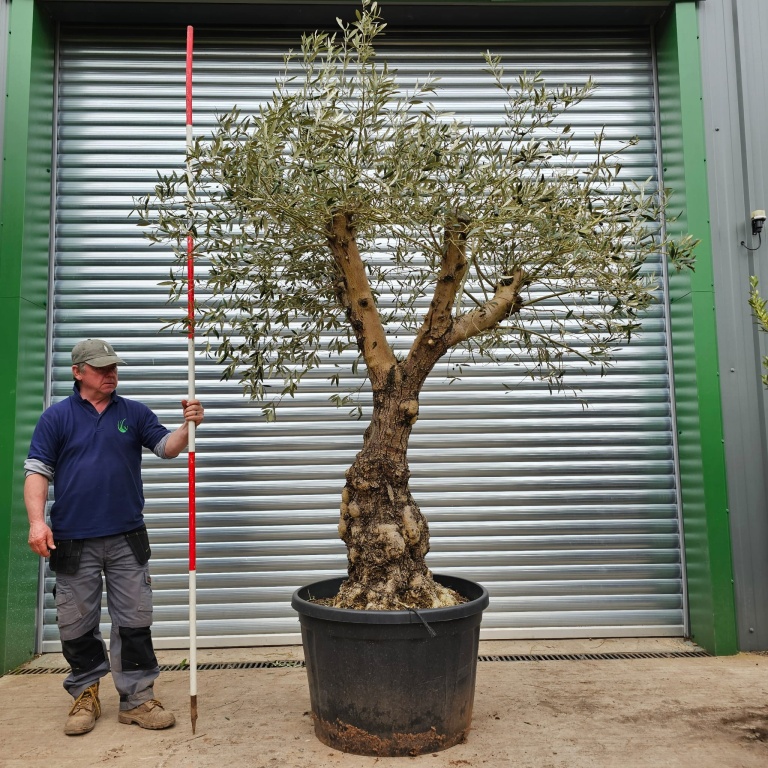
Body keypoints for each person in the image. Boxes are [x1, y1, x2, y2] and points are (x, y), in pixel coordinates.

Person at [24, 338, 205, 736]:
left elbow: (167, 448)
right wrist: (37, 522)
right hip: (73, 541)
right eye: (102, 368)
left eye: (114, 368)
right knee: (75, 624)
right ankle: (85, 694)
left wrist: (187, 426)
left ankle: (138, 700)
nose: (111, 374)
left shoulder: (134, 413)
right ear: (78, 372)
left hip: (126, 538)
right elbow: (37, 470)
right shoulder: (56, 419)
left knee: (135, 621)